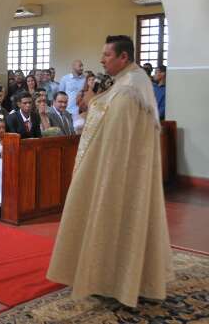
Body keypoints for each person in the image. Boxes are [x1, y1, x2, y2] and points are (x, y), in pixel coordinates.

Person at [47, 35, 172, 307]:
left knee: (117, 219)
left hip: (120, 170)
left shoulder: (130, 88)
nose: (102, 60)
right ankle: (117, 279)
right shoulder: (129, 81)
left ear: (123, 57)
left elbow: (113, 127)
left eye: (107, 55)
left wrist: (91, 102)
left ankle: (112, 280)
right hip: (125, 166)